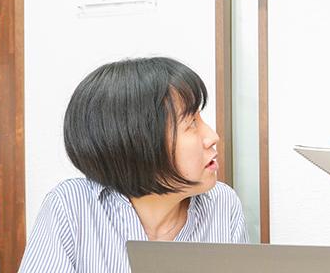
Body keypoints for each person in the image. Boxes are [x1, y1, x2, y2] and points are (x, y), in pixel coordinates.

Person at [19, 57, 248, 273]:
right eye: (191, 124)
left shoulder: (222, 203)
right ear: (138, 142)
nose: (212, 137)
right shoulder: (70, 206)